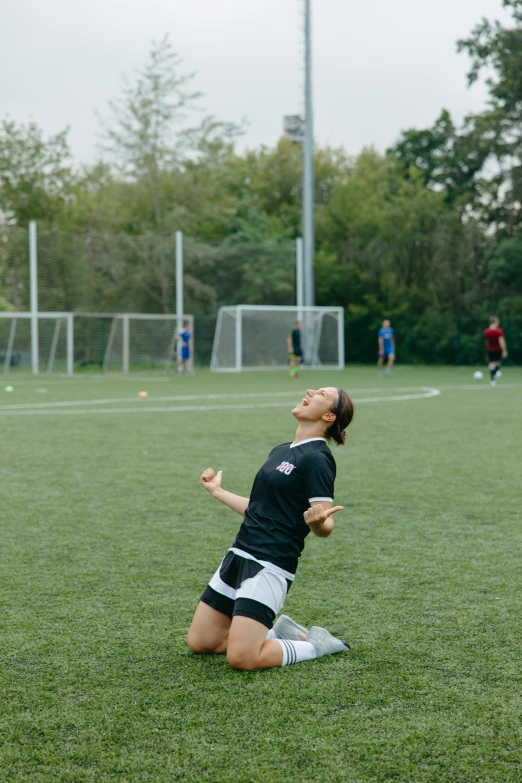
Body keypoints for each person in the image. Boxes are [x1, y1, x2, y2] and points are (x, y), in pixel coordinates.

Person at [187, 386, 355, 670]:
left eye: (322, 394)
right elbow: (259, 507)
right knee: (202, 643)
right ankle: (277, 632)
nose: (310, 391)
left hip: (271, 563)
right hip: (238, 554)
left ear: (328, 415)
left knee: (243, 658)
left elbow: (325, 522)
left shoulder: (317, 458)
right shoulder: (280, 451)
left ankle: (317, 645)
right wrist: (217, 492)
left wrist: (318, 523)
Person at [484, 315, 508, 386]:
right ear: (495, 322)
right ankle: (496, 373)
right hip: (498, 349)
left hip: (490, 349)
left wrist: (487, 348)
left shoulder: (486, 331)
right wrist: (504, 350)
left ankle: (493, 380)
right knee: (498, 363)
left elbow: (486, 341)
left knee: (491, 364)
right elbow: (501, 340)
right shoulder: (498, 331)